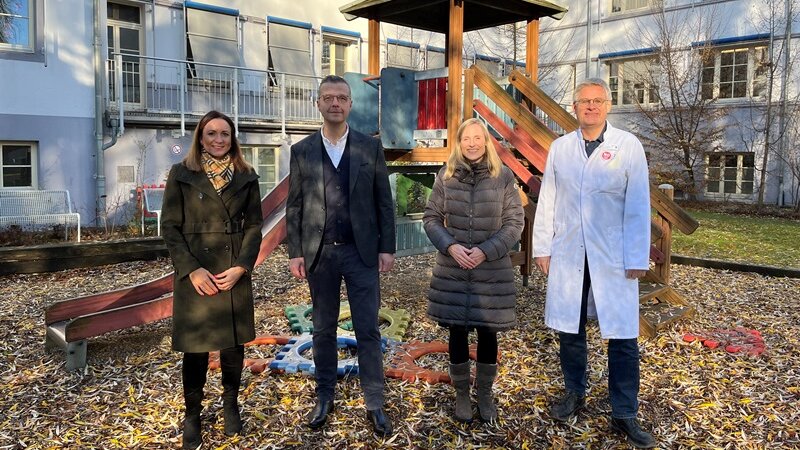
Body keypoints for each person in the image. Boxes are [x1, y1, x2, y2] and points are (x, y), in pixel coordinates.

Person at [532, 78, 656, 448]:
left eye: (597, 100)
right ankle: (574, 392)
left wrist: (637, 255)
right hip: (570, 252)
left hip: (613, 255)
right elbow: (549, 199)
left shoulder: (627, 146)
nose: (591, 106)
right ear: (574, 107)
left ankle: (625, 412)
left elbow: (638, 203)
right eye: (584, 101)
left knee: (622, 336)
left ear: (608, 105)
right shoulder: (561, 148)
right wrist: (543, 247)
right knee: (570, 329)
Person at [286, 75, 396, 437]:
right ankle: (324, 396)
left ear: (350, 105)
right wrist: (295, 252)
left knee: (367, 329)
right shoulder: (302, 150)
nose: (335, 103)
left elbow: (384, 201)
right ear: (318, 103)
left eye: (342, 98)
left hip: (362, 254)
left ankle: (375, 402)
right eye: (328, 98)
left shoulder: (369, 148)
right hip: (321, 256)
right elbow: (296, 206)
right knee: (322, 330)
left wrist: (387, 247)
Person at [161, 110, 262, 449]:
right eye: (211, 134)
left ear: (233, 139)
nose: (219, 140)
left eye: (225, 134)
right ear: (200, 138)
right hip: (196, 272)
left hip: (231, 269)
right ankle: (193, 414)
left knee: (232, 345)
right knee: (196, 347)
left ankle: (231, 402)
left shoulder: (247, 175)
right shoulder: (181, 173)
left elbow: (254, 226)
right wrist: (191, 269)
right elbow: (170, 228)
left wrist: (242, 266)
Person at [423, 118, 524, 423]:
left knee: (488, 333)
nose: (472, 143)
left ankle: (485, 394)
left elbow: (514, 223)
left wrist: (485, 250)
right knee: (456, 331)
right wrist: (450, 246)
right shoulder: (446, 175)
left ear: (486, 141)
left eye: (477, 138)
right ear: (459, 142)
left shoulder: (503, 177)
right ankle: (462, 395)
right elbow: (431, 218)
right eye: (466, 138)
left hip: (490, 271)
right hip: (453, 268)